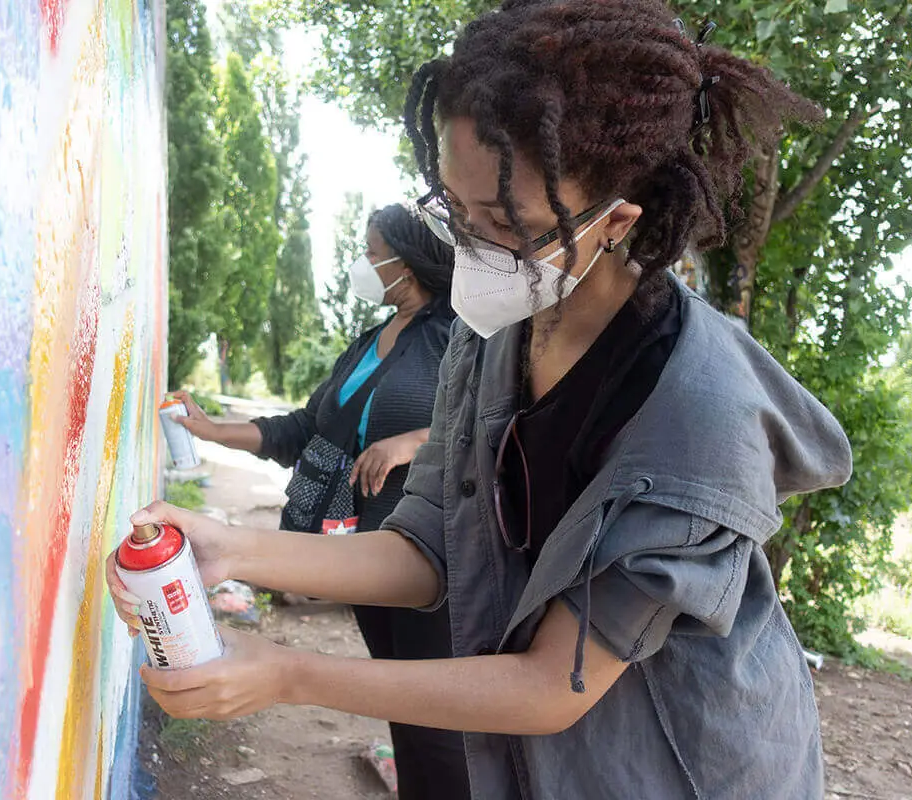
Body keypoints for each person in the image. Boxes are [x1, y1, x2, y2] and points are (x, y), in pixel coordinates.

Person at [107, 1, 852, 797]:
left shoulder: (700, 416)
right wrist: (235, 549)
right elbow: (427, 551)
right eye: (457, 213)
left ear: (615, 221)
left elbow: (549, 683)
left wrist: (287, 674)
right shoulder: (498, 328)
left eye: (506, 222)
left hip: (681, 768)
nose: (475, 252)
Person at [162, 203, 470, 800]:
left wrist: (416, 440)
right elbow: (306, 427)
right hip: (356, 551)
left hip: (426, 553)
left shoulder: (459, 335)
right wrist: (212, 430)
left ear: (403, 264)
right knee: (399, 704)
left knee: (437, 722)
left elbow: (497, 425)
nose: (363, 262)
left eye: (370, 249)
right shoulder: (368, 343)